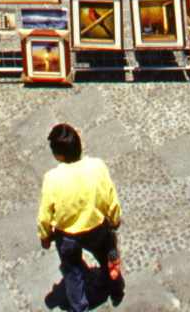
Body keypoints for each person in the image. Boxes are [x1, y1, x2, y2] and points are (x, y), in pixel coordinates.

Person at [37, 122, 123, 312]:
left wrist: (45, 236)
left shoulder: (52, 179)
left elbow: (45, 215)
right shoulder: (97, 167)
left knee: (72, 272)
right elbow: (111, 198)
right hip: (97, 228)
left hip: (68, 236)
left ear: (58, 155)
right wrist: (115, 219)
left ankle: (80, 307)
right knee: (106, 256)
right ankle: (115, 287)